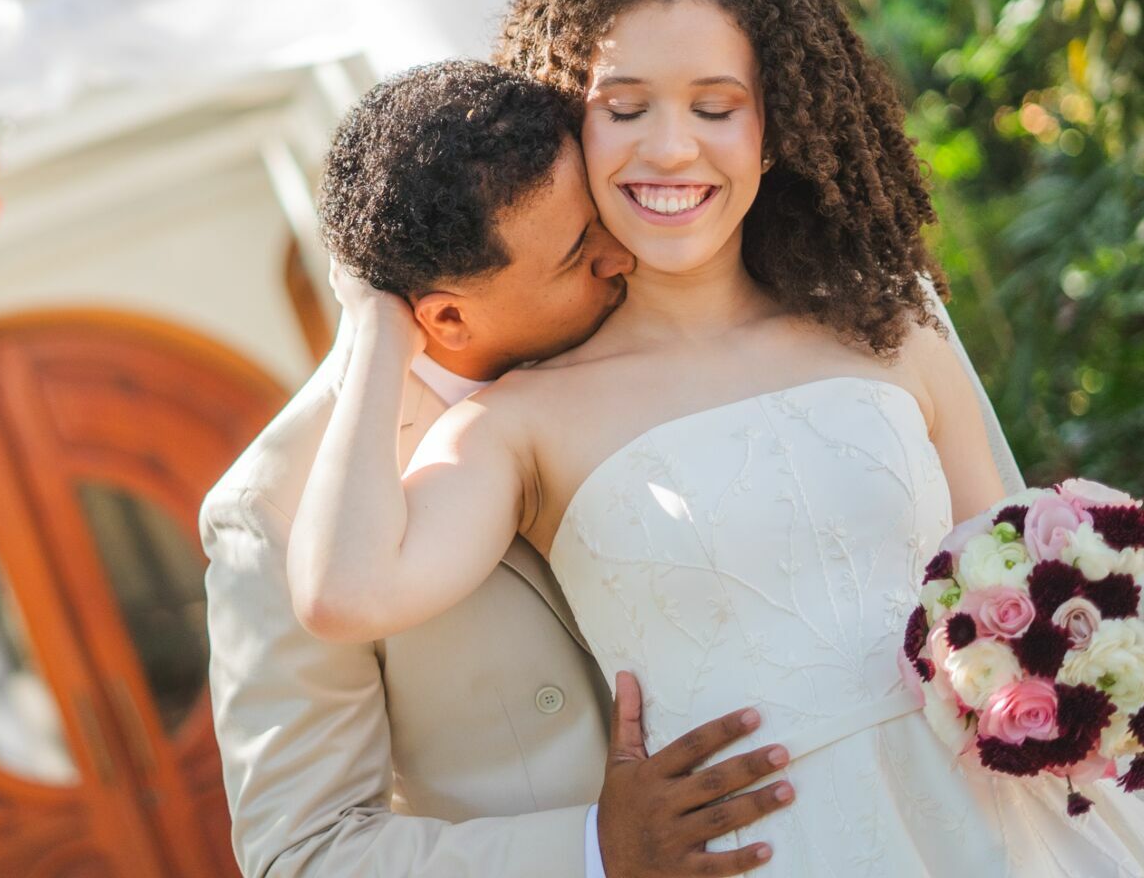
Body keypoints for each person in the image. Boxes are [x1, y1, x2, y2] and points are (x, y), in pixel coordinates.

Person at [287, 0, 1144, 875]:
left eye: (716, 107)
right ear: (572, 132)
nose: (671, 145)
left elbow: (1012, 560)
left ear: (774, 133)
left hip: (1010, 831)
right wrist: (373, 317)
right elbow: (343, 593)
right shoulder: (519, 421)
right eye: (625, 108)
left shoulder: (889, 324)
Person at [200, 59, 795, 878]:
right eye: (579, 253)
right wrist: (595, 851)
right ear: (445, 315)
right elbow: (303, 851)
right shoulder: (274, 509)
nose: (620, 259)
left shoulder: (668, 311)